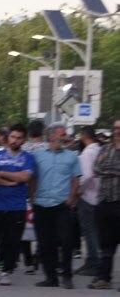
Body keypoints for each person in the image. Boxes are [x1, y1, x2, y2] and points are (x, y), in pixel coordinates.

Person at [0, 123, 36, 286]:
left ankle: (6, 271)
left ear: (23, 140)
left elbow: (25, 177)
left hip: (17, 207)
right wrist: (9, 182)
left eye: (19, 138)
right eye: (12, 137)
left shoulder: (28, 158)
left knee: (13, 241)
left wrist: (3, 173)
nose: (14, 140)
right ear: (8, 137)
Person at [30, 122, 81, 288]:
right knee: (45, 242)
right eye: (62, 134)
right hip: (41, 204)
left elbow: (76, 179)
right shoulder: (38, 155)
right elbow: (33, 178)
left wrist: (71, 199)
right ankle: (51, 277)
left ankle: (67, 276)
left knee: (66, 241)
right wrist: (32, 197)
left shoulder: (72, 156)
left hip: (62, 205)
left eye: (65, 134)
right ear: (51, 136)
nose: (65, 137)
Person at [89, 118, 120, 288]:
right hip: (105, 200)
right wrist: (114, 172)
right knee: (106, 241)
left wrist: (109, 171)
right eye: (115, 128)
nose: (117, 131)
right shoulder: (105, 149)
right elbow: (96, 169)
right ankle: (104, 278)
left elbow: (103, 170)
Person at [76, 126, 102, 276]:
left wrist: (78, 190)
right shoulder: (100, 149)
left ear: (83, 136)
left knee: (89, 231)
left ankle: (94, 263)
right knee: (94, 231)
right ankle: (91, 261)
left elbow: (86, 176)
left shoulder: (87, 153)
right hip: (99, 196)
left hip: (88, 196)